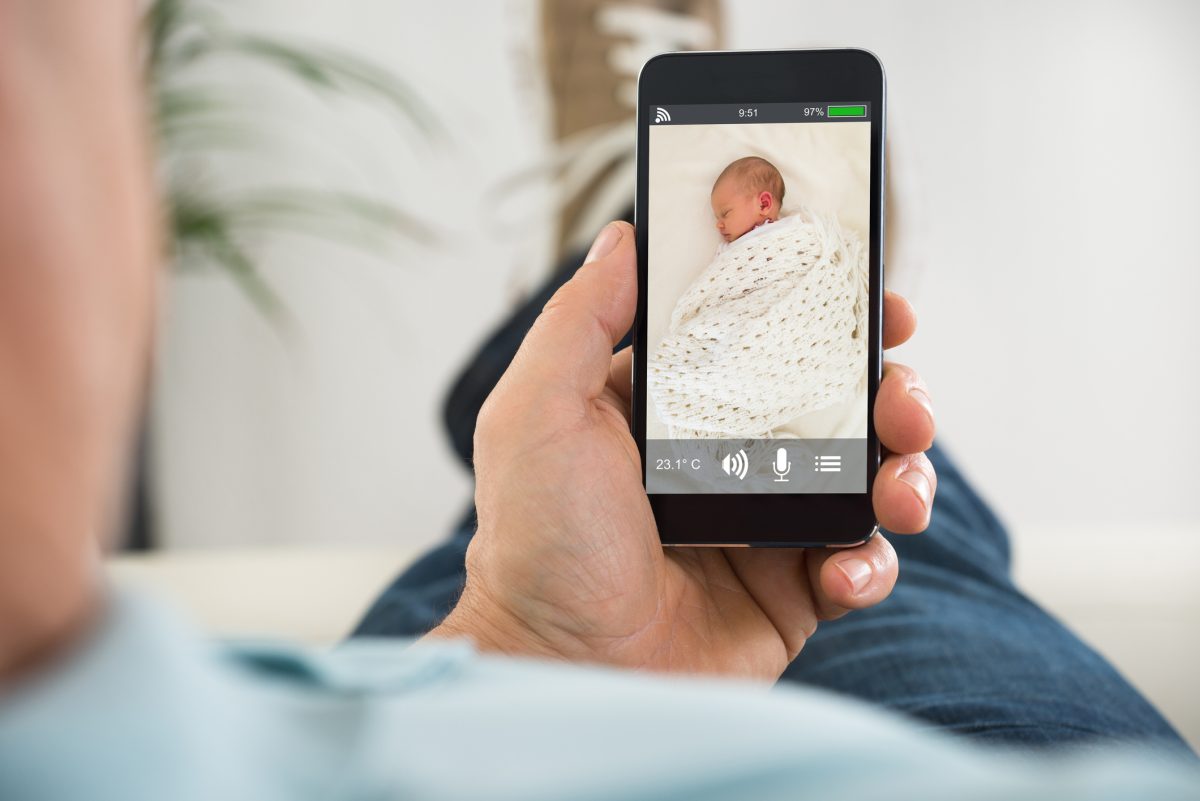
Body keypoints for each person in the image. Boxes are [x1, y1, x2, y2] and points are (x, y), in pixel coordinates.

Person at [0, 5, 1197, 800]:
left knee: (560, 473)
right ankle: (606, 252)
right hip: (943, 709)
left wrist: (524, 642)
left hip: (529, 676)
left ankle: (596, 251)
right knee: (914, 550)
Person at [710, 155, 786, 245]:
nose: (718, 225)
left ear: (763, 204)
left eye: (725, 213)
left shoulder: (791, 228)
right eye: (717, 218)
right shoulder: (728, 248)